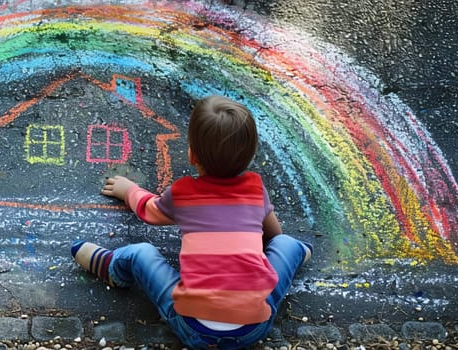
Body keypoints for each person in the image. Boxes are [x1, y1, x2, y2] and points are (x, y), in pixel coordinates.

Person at [71, 95, 312, 349]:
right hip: (253, 328)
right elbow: (274, 235)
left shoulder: (183, 193)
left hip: (193, 327)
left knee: (141, 253)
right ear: (250, 156)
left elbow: (148, 211)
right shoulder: (255, 190)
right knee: (286, 244)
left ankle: (111, 268)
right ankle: (300, 253)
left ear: (192, 154)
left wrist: (129, 190)